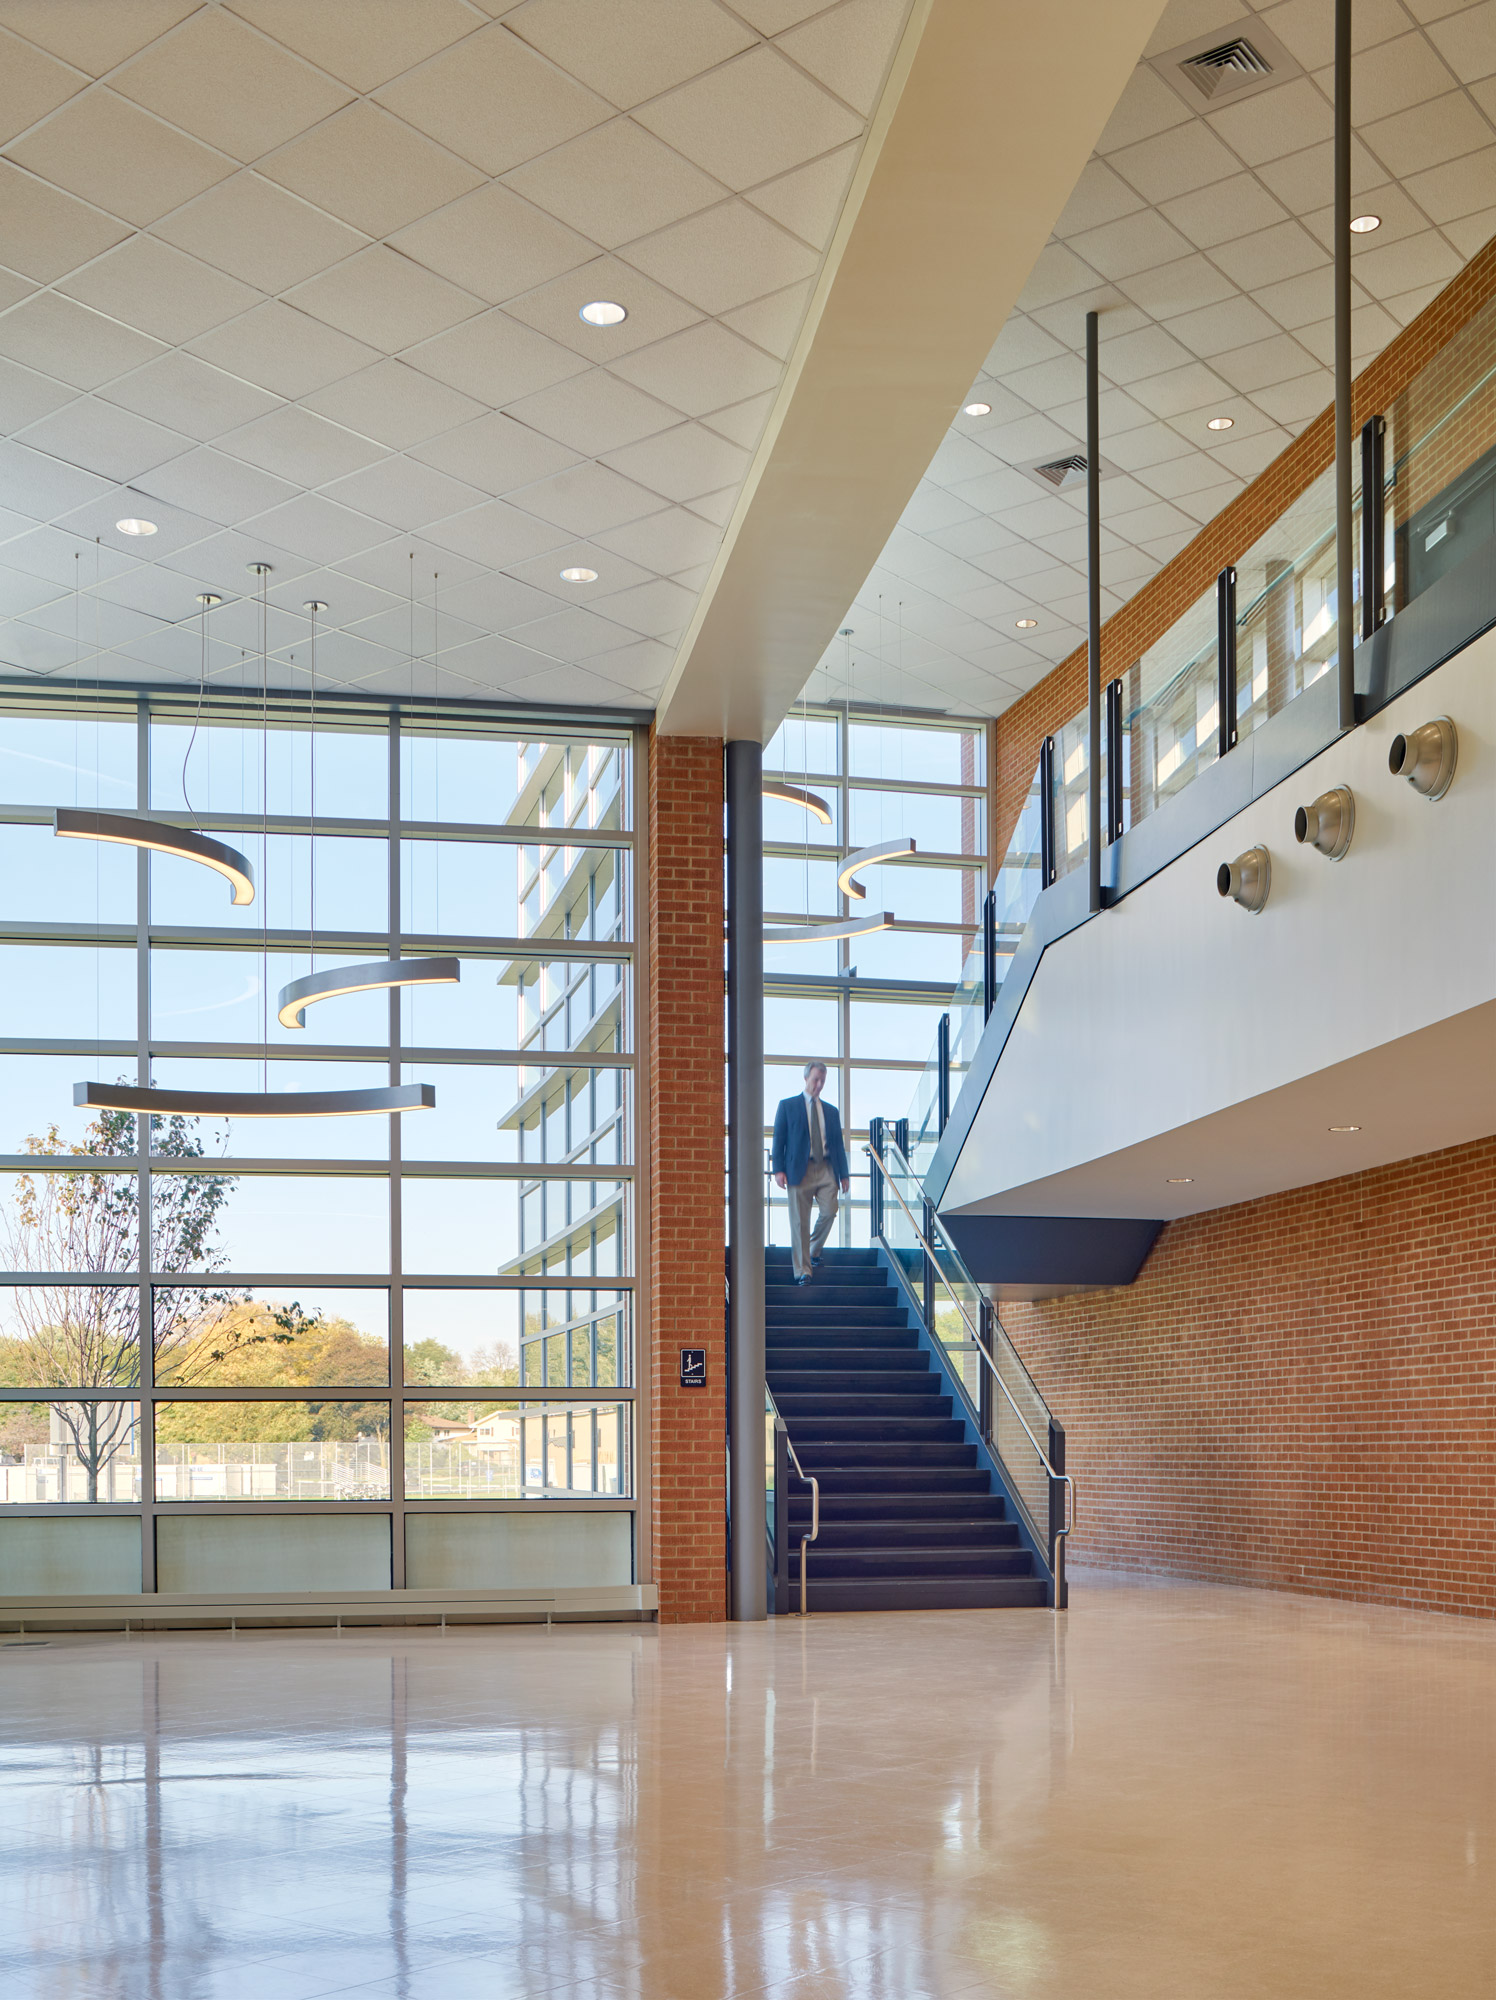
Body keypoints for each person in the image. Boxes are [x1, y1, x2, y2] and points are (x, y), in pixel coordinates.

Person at [771, 1060, 850, 1284]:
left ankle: (814, 1249)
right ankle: (803, 1271)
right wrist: (778, 1170)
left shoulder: (831, 1112)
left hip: (826, 1168)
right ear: (806, 1078)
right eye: (816, 1079)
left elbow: (837, 1145)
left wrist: (844, 1174)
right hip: (799, 1169)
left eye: (823, 1081)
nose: (819, 1084)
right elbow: (779, 1139)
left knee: (829, 1210)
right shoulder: (787, 1106)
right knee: (799, 1222)